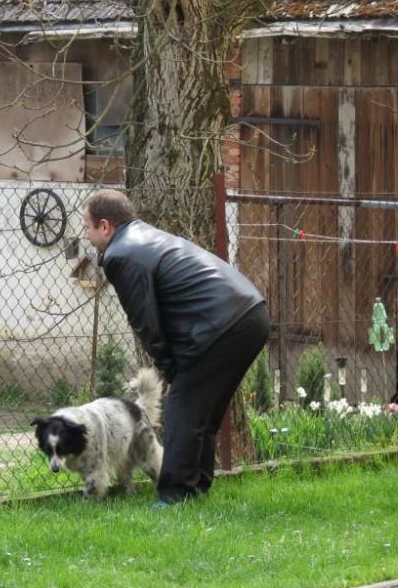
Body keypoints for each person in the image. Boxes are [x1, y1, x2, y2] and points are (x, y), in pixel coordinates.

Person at [83, 189, 270, 504]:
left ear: (105, 226)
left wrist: (170, 368)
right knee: (201, 411)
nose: (86, 235)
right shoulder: (143, 237)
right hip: (250, 315)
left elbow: (145, 321)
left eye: (86, 227)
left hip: (224, 324)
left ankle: (174, 495)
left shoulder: (120, 254)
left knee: (182, 406)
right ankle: (196, 486)